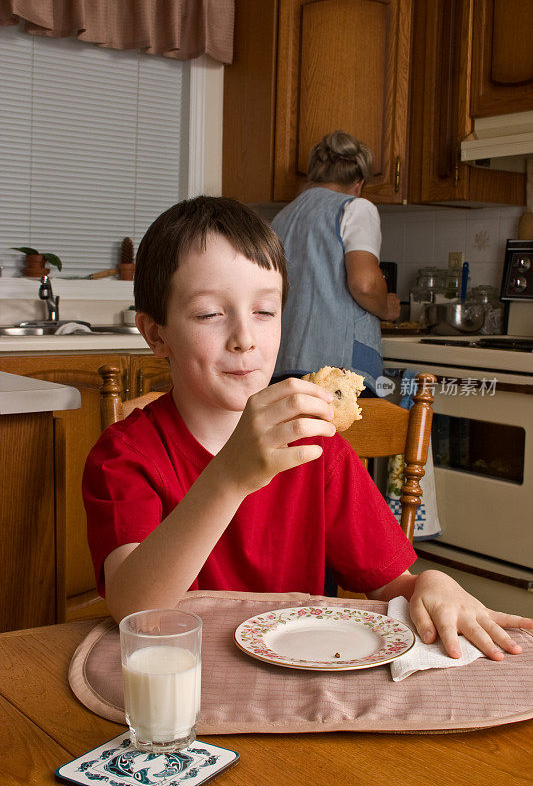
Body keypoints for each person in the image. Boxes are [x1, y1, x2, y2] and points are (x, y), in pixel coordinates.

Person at [83, 195, 532, 661]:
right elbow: (137, 612)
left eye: (264, 311)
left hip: (304, 681)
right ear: (157, 334)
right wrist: (228, 477)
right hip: (182, 677)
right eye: (210, 314)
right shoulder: (125, 455)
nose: (245, 338)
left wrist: (431, 583)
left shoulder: (316, 446)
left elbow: (391, 586)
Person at [272, 130, 400, 395]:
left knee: (300, 438)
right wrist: (386, 307)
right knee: (343, 438)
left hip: (281, 365)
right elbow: (364, 284)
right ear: (359, 183)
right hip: (338, 371)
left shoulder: (282, 218)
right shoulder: (356, 208)